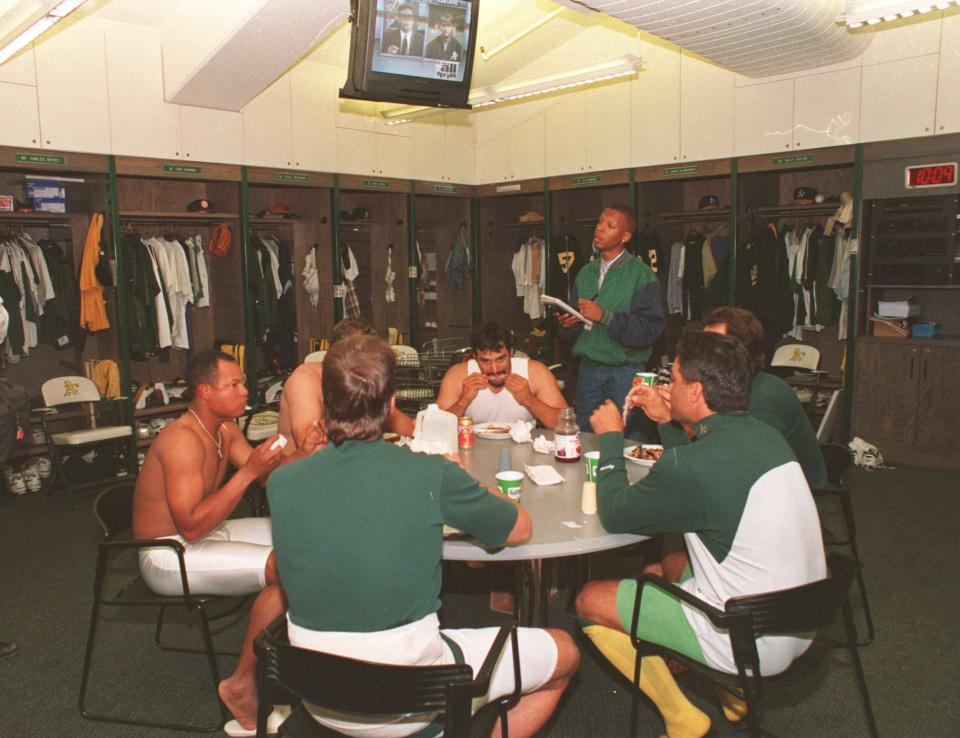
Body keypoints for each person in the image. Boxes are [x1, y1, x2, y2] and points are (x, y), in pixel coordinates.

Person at [268, 335, 579, 738]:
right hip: (411, 702)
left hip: (318, 694)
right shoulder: (430, 473)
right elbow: (520, 529)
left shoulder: (282, 482)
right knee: (565, 653)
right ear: (392, 401)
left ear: (326, 401)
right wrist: (470, 484)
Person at [574, 331, 826, 738]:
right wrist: (666, 422)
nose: (666, 388)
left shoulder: (694, 466)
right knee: (674, 562)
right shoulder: (764, 435)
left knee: (589, 601)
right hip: (803, 620)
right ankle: (732, 694)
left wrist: (610, 437)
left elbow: (617, 513)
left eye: (671, 380)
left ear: (694, 391)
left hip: (748, 638)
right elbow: (696, 478)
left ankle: (682, 718)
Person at [132, 350, 290, 731]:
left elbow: (266, 477)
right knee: (285, 570)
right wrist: (250, 471)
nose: (245, 391)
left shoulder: (224, 428)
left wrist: (306, 452)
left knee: (297, 541)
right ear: (204, 391)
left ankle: (289, 664)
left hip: (204, 531)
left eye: (243, 382)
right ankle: (240, 684)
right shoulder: (182, 439)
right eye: (233, 385)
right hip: (166, 552)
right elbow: (188, 525)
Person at [556, 205, 664, 439]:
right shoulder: (585, 272)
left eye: (610, 225)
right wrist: (568, 326)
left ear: (625, 236)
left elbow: (649, 330)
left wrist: (604, 316)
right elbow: (577, 328)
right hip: (588, 372)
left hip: (624, 373)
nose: (600, 229)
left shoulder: (641, 275)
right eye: (599, 222)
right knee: (585, 440)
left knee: (628, 441)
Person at [277, 318, 415, 454]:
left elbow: (406, 426)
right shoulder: (304, 380)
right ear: (334, 355)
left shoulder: (365, 379)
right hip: (302, 471)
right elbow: (308, 445)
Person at [436, 321, 567, 429]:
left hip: (524, 450)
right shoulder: (458, 375)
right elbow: (437, 429)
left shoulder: (535, 371)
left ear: (511, 352)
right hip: (473, 449)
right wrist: (463, 401)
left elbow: (564, 425)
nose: (494, 369)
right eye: (485, 361)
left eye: (500, 359)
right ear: (475, 357)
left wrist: (529, 399)